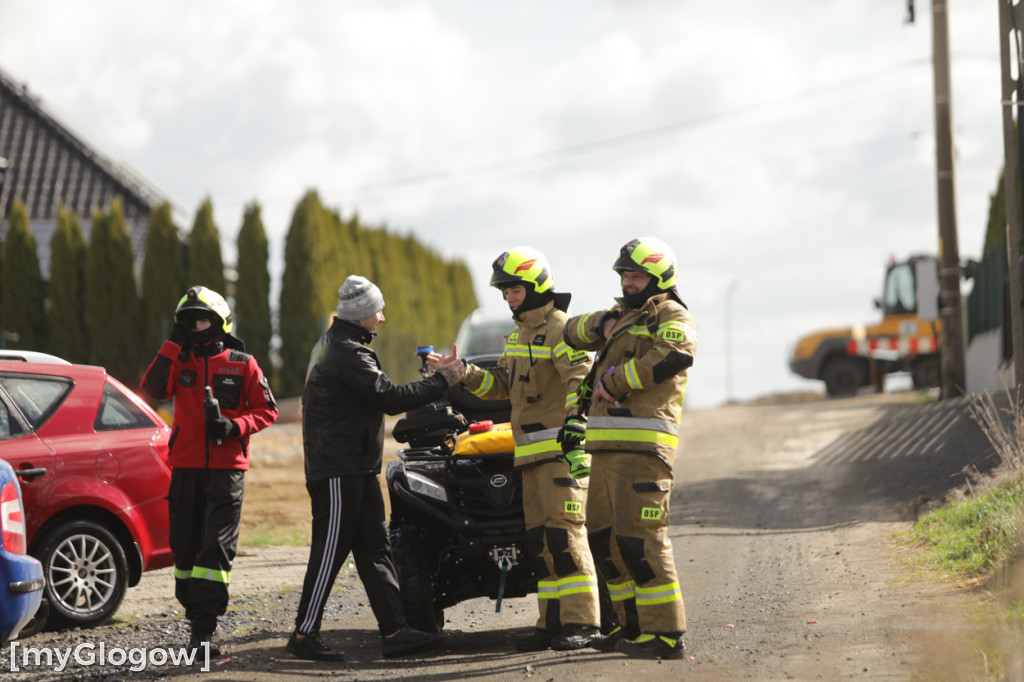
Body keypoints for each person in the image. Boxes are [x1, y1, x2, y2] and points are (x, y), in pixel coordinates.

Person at [428, 247, 602, 652]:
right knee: (541, 544)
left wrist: (577, 428)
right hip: (529, 457)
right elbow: (500, 389)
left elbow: (582, 382)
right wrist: (463, 374)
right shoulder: (520, 335)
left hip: (559, 454)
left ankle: (584, 623)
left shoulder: (561, 329)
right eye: (505, 290)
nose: (509, 296)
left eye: (515, 289)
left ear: (537, 284)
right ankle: (552, 622)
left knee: (566, 538)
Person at [287, 275, 467, 662]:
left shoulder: (333, 344)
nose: (382, 318)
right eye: (377, 310)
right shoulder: (348, 352)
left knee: (375, 550)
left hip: (353, 467)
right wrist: (443, 380)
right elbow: (390, 398)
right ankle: (303, 635)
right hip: (338, 470)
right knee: (329, 551)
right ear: (362, 314)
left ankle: (396, 631)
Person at [561, 237, 697, 660]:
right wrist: (604, 321)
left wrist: (614, 382)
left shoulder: (672, 315)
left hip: (643, 449)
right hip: (603, 447)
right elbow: (570, 331)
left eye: (637, 276)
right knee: (605, 542)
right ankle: (630, 624)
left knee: (642, 542)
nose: (629, 282)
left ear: (658, 278)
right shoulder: (622, 317)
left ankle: (667, 634)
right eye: (624, 275)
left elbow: (673, 357)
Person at [141, 285, 279, 655]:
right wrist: (172, 344)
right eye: (188, 322)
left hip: (227, 471)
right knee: (184, 550)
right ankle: (194, 612)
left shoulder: (242, 362)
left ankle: (202, 632)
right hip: (185, 467)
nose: (195, 327)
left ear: (219, 322)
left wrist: (234, 427)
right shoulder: (179, 359)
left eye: (202, 320)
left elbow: (267, 410)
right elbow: (153, 387)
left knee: (215, 550)